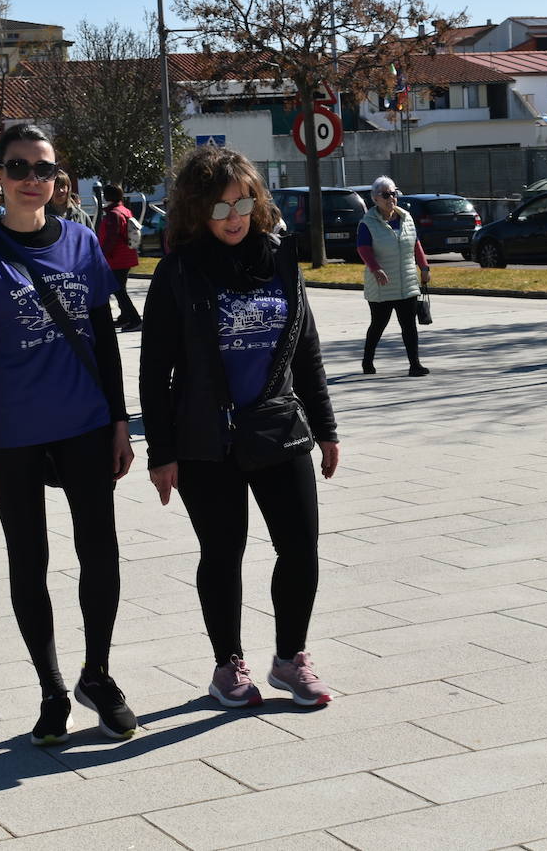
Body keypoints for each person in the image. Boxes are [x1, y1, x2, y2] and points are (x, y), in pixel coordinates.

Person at [0, 123, 137, 745]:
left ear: (59, 177)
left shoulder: (83, 243)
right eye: (19, 167)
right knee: (29, 559)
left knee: (100, 551)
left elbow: (104, 341)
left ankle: (98, 675)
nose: (34, 179)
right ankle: (53, 689)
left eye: (45, 168)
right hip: (11, 432)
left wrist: (119, 419)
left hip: (84, 421)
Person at [140, 145, 340, 708]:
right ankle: (228, 665)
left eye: (243, 202)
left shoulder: (279, 258)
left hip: (277, 428)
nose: (233, 217)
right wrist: (161, 452)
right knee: (223, 553)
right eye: (220, 206)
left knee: (301, 548)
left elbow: (306, 347)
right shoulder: (178, 272)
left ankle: (289, 659)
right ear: (196, 211)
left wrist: (325, 427)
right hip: (205, 440)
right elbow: (155, 372)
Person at [358, 175, 430, 376]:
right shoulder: (368, 223)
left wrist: (424, 267)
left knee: (409, 325)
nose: (391, 198)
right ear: (375, 199)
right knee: (378, 325)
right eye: (386, 194)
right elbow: (363, 248)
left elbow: (415, 243)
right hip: (382, 284)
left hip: (406, 282)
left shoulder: (406, 217)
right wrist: (375, 268)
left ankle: (415, 365)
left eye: (394, 193)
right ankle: (367, 360)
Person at [96, 185, 142, 331]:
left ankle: (135, 320)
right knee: (119, 288)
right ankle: (124, 317)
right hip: (126, 256)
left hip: (117, 258)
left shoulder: (113, 214)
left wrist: (102, 255)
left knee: (119, 290)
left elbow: (111, 238)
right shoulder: (124, 210)